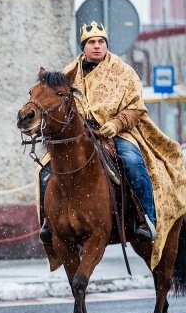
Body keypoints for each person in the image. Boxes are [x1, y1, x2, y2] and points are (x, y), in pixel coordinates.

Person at [37, 21, 186, 268]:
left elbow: (137, 107)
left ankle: (145, 219)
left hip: (118, 133)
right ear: (83, 47)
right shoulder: (69, 73)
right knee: (45, 169)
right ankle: (48, 222)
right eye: (91, 43)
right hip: (81, 136)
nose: (97, 46)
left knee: (132, 161)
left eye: (101, 42)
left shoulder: (124, 72)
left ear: (106, 45)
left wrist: (116, 124)